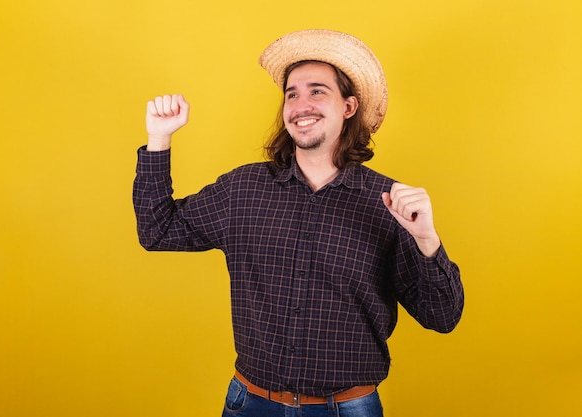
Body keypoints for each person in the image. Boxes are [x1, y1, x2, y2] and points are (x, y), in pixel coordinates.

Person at [133, 29, 464, 417]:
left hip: (347, 408)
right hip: (251, 404)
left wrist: (427, 240)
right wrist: (159, 140)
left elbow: (442, 317)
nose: (300, 104)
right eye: (292, 94)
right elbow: (157, 230)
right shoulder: (243, 189)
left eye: (317, 91)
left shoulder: (388, 204)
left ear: (349, 106)